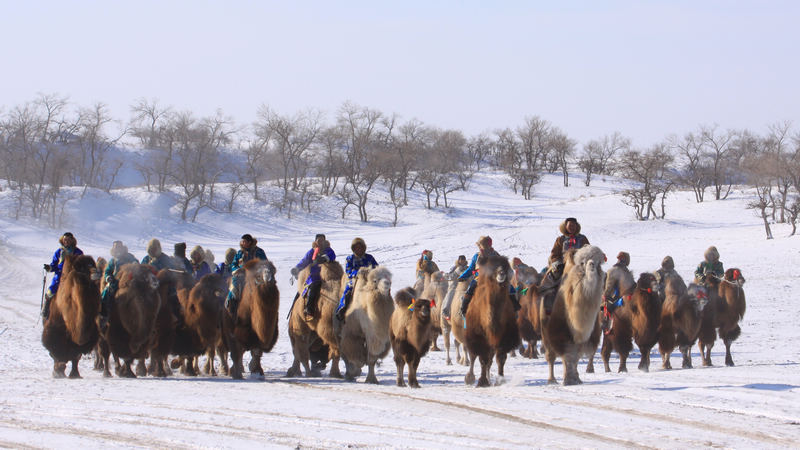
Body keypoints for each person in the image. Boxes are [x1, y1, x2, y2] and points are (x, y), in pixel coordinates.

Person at [459, 236, 520, 317]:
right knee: (470, 289)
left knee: (510, 288)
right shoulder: (476, 256)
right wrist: (463, 276)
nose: (483, 247)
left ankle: (515, 308)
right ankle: (464, 310)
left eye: (484, 245)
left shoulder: (496, 255)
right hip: (479, 279)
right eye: (482, 245)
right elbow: (471, 269)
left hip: (494, 279)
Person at [538, 217, 590, 313]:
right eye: (570, 225)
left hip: (580, 265)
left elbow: (588, 251)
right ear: (565, 227)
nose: (572, 227)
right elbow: (554, 254)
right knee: (552, 280)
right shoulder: (560, 240)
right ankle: (549, 304)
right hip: (563, 266)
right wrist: (557, 263)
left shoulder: (582, 239)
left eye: (574, 225)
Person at [290, 234, 336, 319]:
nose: (320, 242)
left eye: (322, 240)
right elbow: (304, 261)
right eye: (318, 240)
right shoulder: (312, 252)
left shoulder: (328, 250)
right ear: (315, 241)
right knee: (313, 287)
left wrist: (324, 258)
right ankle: (309, 309)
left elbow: (332, 255)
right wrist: (297, 268)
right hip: (315, 276)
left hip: (328, 276)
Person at [335, 237, 379, 321]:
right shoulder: (350, 258)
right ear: (353, 249)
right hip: (355, 280)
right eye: (356, 247)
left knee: (381, 289)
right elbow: (348, 271)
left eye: (361, 247)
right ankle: (342, 309)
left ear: (364, 248)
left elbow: (376, 267)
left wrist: (372, 272)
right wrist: (358, 273)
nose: (359, 249)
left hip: (370, 279)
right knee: (348, 291)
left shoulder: (369, 257)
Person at [42, 232, 83, 320]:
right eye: (65, 240)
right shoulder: (59, 252)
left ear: (72, 240)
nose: (66, 241)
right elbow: (54, 265)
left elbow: (82, 265)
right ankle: (46, 309)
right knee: (52, 290)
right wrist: (49, 268)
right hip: (60, 276)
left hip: (73, 276)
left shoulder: (78, 252)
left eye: (68, 240)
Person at [99, 241, 138, 329]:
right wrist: (108, 277)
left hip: (127, 279)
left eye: (119, 246)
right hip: (115, 280)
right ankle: (104, 314)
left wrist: (135, 264)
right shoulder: (113, 260)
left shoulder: (128, 256)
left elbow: (134, 261)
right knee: (106, 292)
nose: (117, 248)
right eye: (115, 247)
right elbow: (108, 270)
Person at [225, 234, 267, 314]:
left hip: (255, 276)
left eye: (244, 241)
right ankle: (230, 306)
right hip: (240, 276)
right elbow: (233, 264)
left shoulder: (259, 252)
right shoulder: (240, 253)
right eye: (242, 241)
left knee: (263, 291)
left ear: (249, 242)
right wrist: (237, 270)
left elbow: (265, 263)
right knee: (234, 288)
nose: (242, 243)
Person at [441, 255, 468, 321]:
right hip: (455, 286)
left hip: (465, 285)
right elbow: (450, 276)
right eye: (461, 260)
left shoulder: (468, 268)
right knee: (451, 293)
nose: (462, 261)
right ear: (459, 260)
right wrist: (456, 272)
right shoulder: (455, 268)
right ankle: (445, 311)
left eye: (463, 260)